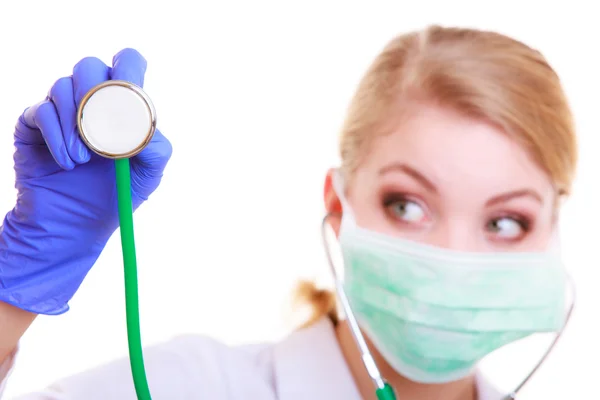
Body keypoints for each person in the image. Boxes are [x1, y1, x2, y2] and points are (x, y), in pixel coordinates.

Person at [0, 25, 577, 400]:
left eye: (505, 222)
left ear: (553, 229)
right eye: (408, 205)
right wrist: (12, 297)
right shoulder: (189, 387)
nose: (453, 258)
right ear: (339, 207)